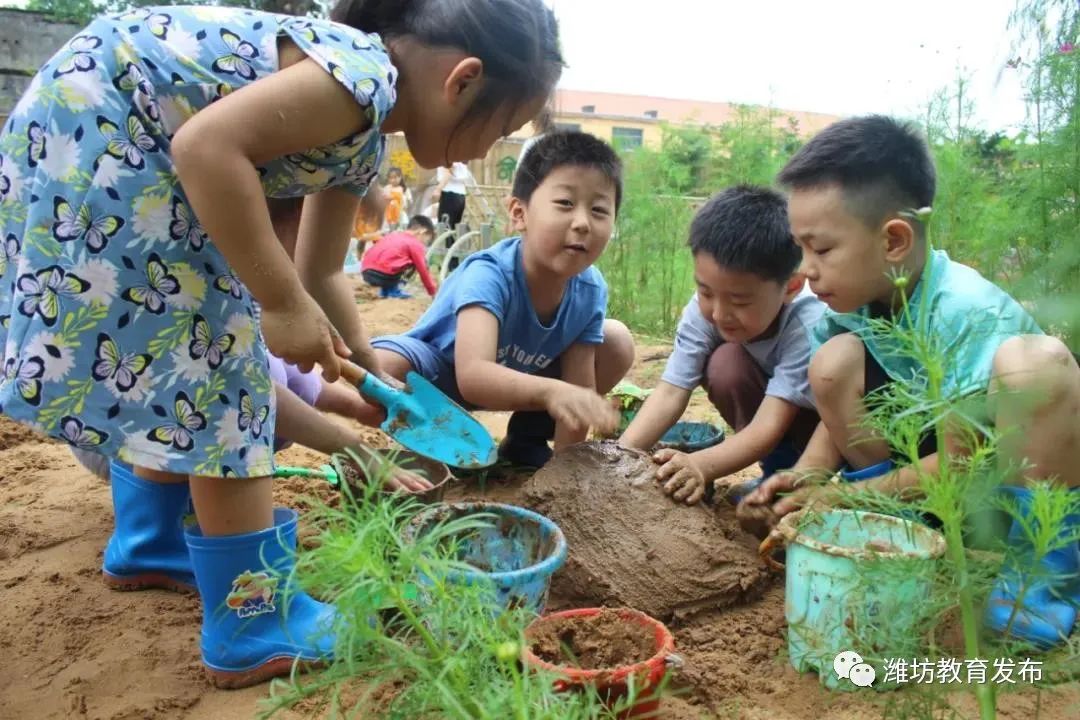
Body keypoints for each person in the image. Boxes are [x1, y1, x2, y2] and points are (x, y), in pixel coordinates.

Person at [0, 0, 563, 688]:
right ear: (463, 81)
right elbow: (206, 147)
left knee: (186, 361)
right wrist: (276, 302)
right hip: (110, 138)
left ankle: (149, 539)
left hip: (100, 136)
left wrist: (364, 367)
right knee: (218, 362)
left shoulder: (364, 134)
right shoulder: (363, 75)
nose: (489, 152)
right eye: (503, 129)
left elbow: (322, 271)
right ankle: (251, 621)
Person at [738, 115, 1080, 649]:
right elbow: (837, 419)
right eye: (800, 249)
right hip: (936, 488)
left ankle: (1043, 573)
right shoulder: (861, 301)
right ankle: (910, 525)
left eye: (821, 250)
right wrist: (808, 476)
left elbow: (959, 461)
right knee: (832, 361)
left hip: (1002, 490)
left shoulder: (963, 310)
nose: (805, 270)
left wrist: (846, 496)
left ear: (894, 240)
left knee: (1034, 362)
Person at [367, 131, 635, 468]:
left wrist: (566, 479)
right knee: (382, 365)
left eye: (599, 210)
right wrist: (555, 391)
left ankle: (526, 440)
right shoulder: (490, 274)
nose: (582, 223)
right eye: (565, 203)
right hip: (442, 376)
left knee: (616, 342)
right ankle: (434, 443)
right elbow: (474, 375)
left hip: (521, 382)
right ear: (519, 213)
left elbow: (579, 394)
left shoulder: (590, 290)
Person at [619, 186, 825, 505]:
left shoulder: (809, 323)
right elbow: (671, 392)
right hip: (773, 408)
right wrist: (621, 458)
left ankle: (800, 484)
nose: (719, 313)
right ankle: (774, 475)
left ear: (792, 287)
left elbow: (769, 424)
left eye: (740, 301)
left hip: (825, 428)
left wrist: (701, 465)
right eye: (706, 292)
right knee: (726, 365)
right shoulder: (706, 311)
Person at [361, 216, 439, 298]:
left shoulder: (393, 235)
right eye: (427, 239)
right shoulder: (415, 243)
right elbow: (423, 270)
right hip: (383, 276)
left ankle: (385, 291)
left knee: (394, 260)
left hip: (366, 272)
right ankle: (394, 290)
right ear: (422, 231)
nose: (425, 243)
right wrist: (432, 292)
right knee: (415, 263)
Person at [434, 161, 471, 229]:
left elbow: (449, 171)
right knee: (454, 227)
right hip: (460, 193)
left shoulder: (448, 152)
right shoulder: (460, 153)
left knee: (445, 226)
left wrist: (438, 189)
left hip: (449, 192)